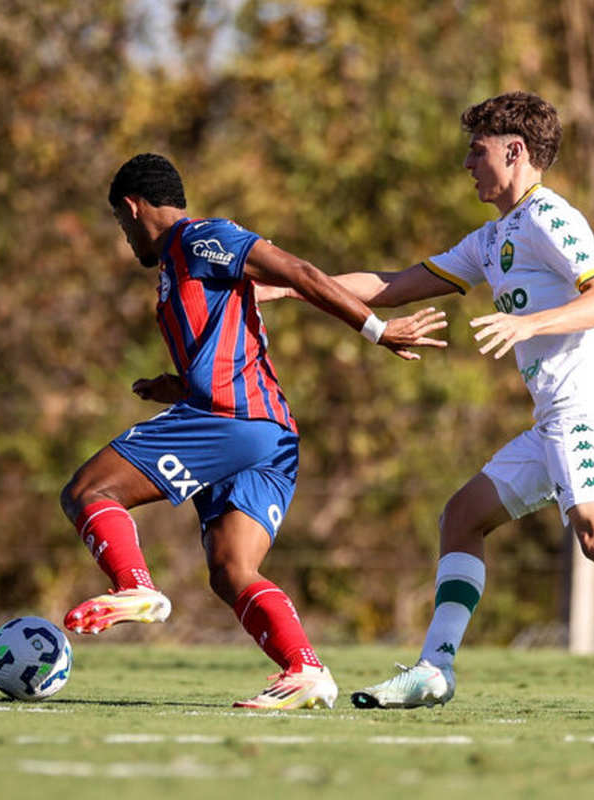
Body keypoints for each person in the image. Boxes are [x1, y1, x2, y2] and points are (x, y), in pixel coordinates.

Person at [264, 92, 594, 717]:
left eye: (476, 150)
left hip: (587, 401)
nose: (466, 163)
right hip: (556, 415)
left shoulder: (550, 216)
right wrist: (289, 285)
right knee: (462, 516)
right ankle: (435, 669)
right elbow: (390, 285)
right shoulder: (492, 240)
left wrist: (527, 325)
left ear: (515, 152)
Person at [59, 153, 447, 710]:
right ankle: (305, 669)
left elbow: (301, 275)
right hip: (271, 438)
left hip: (233, 421)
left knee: (88, 491)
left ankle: (135, 585)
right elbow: (252, 316)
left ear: (132, 206)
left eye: (123, 227)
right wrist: (177, 384)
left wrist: (377, 331)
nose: (126, 239)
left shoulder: (201, 239)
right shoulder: (181, 268)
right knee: (231, 570)